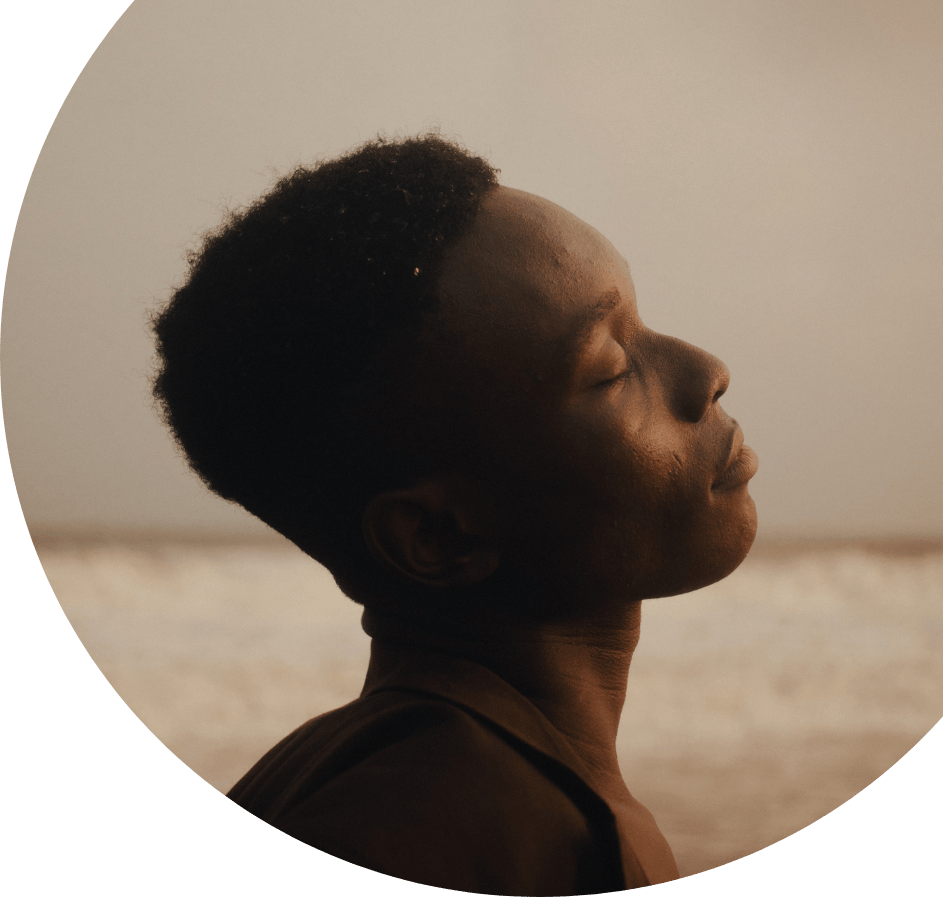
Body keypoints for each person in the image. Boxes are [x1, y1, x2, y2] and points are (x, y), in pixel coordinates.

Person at [151, 133, 759, 895]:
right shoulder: (435, 823)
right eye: (608, 367)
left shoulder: (420, 777)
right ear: (437, 536)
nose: (707, 372)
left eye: (641, 322)